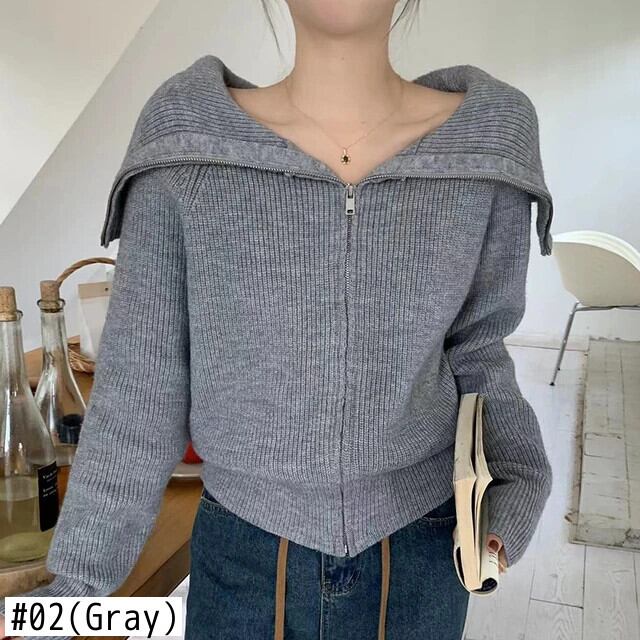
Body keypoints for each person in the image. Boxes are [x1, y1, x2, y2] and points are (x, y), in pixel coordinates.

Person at [1, 1, 555, 638]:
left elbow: (478, 346)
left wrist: (519, 475)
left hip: (424, 557)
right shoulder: (184, 143)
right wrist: (66, 600)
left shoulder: (489, 144)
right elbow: (138, 394)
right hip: (243, 557)